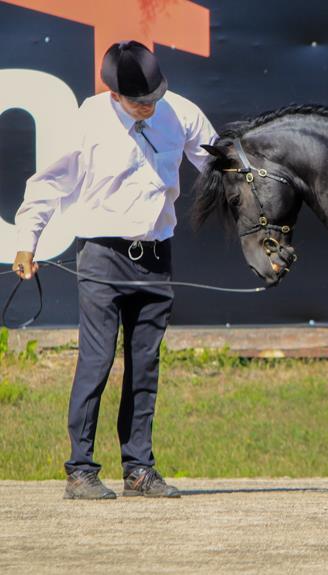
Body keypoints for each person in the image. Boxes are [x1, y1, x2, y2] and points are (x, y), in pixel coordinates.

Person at [13, 40, 217, 499]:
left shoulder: (179, 112)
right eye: (138, 101)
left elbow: (217, 163)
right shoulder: (87, 120)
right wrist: (28, 240)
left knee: (145, 364)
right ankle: (80, 468)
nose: (148, 107)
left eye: (153, 98)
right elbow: (48, 183)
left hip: (156, 254)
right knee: (98, 359)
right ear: (115, 95)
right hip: (103, 253)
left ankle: (139, 469)